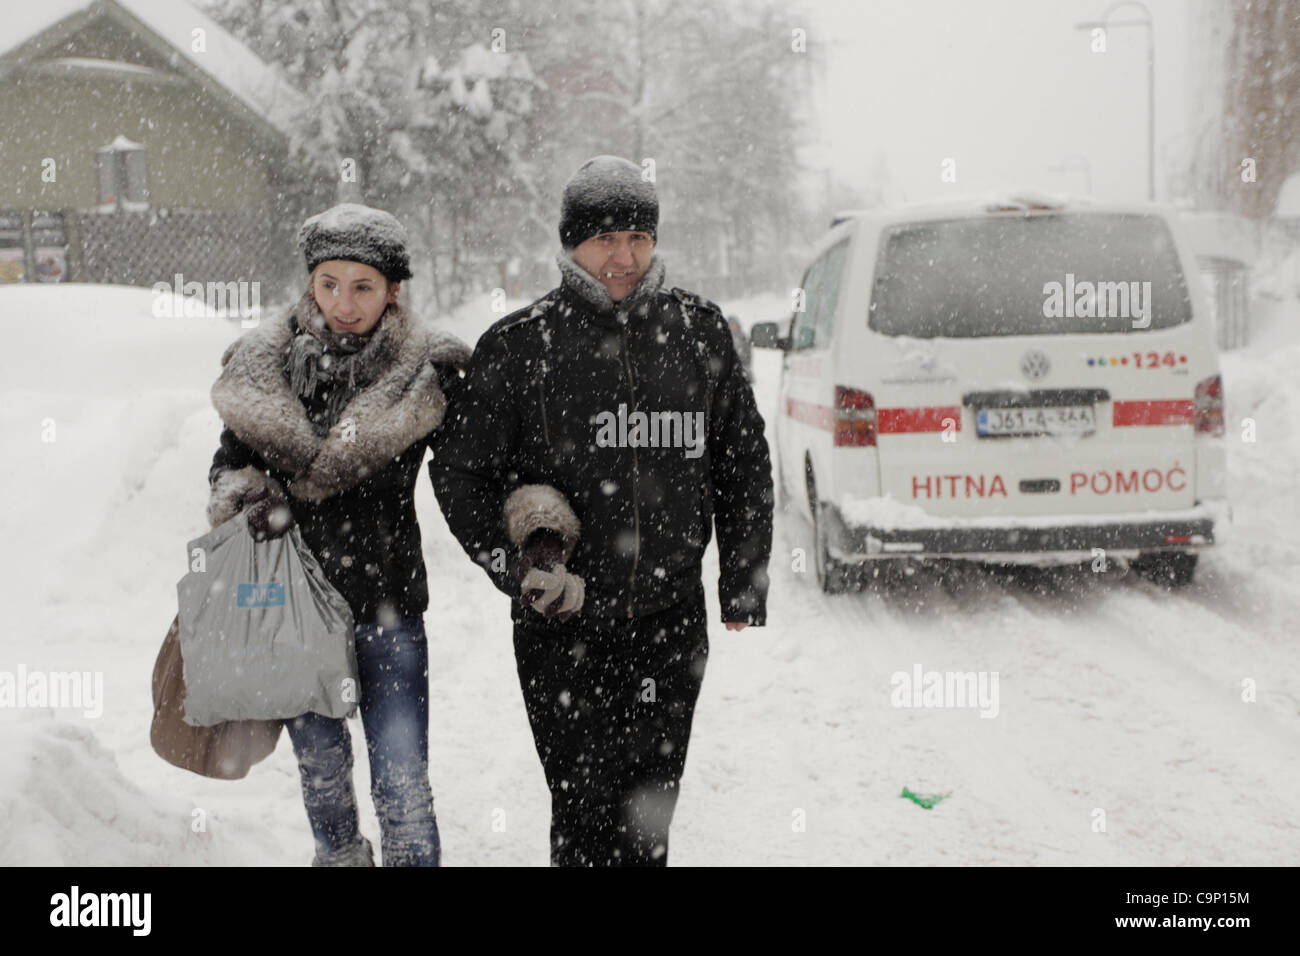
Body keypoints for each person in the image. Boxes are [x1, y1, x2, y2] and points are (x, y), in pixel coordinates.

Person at [429, 155, 774, 866]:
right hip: (564, 627)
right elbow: (462, 473)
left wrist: (742, 578)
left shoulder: (699, 332)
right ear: (572, 246)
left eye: (639, 238)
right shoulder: (521, 347)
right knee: (583, 810)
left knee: (650, 812)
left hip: (669, 620)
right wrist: (514, 566)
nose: (624, 257)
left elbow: (741, 459)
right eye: (605, 239)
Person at [205, 203, 471, 866]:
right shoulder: (264, 370)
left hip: (390, 605)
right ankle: (342, 857)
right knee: (322, 773)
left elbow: (477, 472)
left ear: (393, 291)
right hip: (295, 607)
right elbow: (229, 466)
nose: (344, 303)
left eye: (363, 287)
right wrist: (250, 500)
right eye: (329, 284)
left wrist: (523, 535)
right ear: (309, 283)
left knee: (403, 781)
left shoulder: (426, 374)